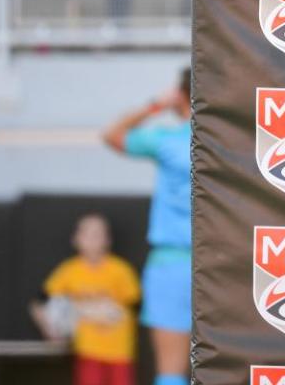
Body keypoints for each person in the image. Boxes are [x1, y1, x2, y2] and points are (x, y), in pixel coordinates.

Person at [103, 69, 191, 385]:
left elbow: (111, 135)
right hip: (229, 266)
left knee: (171, 371)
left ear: (180, 95)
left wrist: (156, 105)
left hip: (172, 263)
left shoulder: (167, 141)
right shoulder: (237, 143)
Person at [32, 214, 141, 385]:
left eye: (98, 234)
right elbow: (38, 301)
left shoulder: (120, 270)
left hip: (120, 352)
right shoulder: (69, 271)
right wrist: (50, 329)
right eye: (87, 234)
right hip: (88, 351)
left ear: (108, 240)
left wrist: (107, 311)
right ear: (76, 239)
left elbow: (136, 305)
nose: (93, 240)